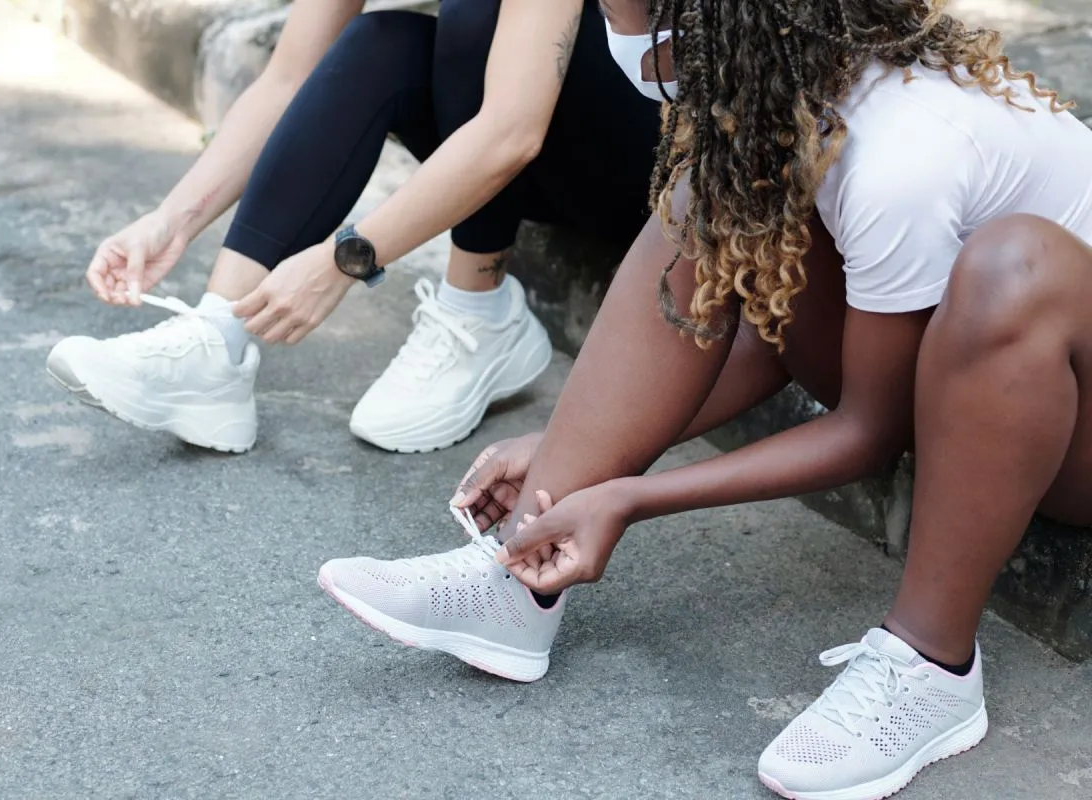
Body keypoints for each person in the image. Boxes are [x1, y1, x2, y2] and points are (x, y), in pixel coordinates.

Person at [317, 0, 1092, 797]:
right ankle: (521, 572)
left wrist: (632, 497)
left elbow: (871, 428)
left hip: (1075, 431)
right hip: (969, 392)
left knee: (1014, 267)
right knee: (706, 194)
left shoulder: (903, 154)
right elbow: (775, 338)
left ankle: (931, 665)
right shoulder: (803, 97)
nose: (611, 37)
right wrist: (573, 450)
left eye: (622, 14)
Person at [45, 0, 660, 454]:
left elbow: (511, 133)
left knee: (475, 13)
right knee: (380, 40)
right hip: (539, 126)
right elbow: (289, 77)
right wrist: (170, 220)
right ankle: (216, 339)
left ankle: (479, 307)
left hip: (658, 163)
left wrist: (343, 260)